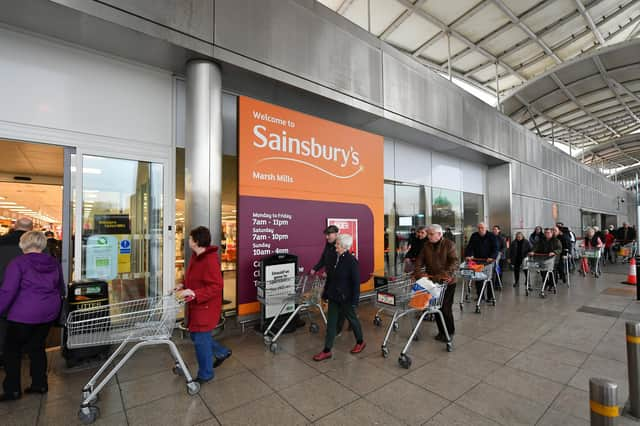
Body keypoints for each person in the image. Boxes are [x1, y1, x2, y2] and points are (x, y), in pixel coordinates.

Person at [0, 231, 64, 401]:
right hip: (48, 312)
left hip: (23, 314)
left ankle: (12, 390)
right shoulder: (54, 262)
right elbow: (60, 288)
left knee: (11, 351)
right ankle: (39, 384)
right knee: (37, 347)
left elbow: (8, 291)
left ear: (23, 244)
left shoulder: (18, 263)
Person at [175, 226, 230, 384]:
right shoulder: (195, 256)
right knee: (196, 335)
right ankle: (221, 352)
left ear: (197, 241)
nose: (188, 240)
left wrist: (195, 293)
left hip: (205, 307)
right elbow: (193, 278)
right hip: (196, 306)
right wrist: (182, 285)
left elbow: (216, 286)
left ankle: (206, 374)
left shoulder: (209, 260)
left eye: (190, 238)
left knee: (200, 341)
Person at [313, 234, 365, 361]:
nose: (335, 246)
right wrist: (326, 293)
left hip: (346, 298)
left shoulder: (351, 261)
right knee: (331, 323)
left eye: (337, 244)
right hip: (334, 296)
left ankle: (360, 341)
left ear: (343, 246)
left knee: (352, 319)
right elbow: (331, 278)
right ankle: (327, 350)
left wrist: (355, 300)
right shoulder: (334, 258)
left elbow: (355, 282)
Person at [414, 224, 458, 341]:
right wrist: (418, 274)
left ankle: (449, 331)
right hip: (432, 281)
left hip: (447, 281)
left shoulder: (449, 244)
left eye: (431, 234)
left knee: (445, 307)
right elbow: (419, 261)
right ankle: (441, 331)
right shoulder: (426, 245)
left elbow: (454, 262)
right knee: (436, 306)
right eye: (428, 234)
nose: (429, 236)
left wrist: (445, 275)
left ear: (440, 234)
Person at [465, 223, 498, 302]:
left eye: (482, 228)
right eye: (479, 228)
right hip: (478, 260)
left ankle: (490, 297)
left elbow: (495, 248)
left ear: (486, 228)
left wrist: (492, 257)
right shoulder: (474, 235)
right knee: (478, 278)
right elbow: (470, 247)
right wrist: (469, 255)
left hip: (489, 261)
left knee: (489, 279)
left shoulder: (491, 236)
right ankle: (481, 296)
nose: (480, 229)